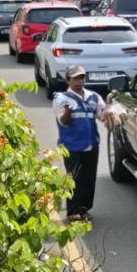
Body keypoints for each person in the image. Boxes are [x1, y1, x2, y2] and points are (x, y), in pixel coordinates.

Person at [53, 66, 107, 222]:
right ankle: (72, 211)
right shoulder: (61, 99)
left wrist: (110, 107)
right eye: (76, 78)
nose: (80, 81)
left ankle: (84, 210)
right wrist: (68, 112)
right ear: (68, 80)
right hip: (71, 146)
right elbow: (63, 122)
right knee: (74, 179)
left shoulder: (94, 97)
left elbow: (102, 116)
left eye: (82, 77)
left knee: (89, 179)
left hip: (91, 145)